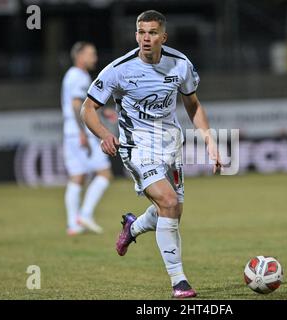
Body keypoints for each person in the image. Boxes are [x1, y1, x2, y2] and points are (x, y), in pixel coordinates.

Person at [81, 10, 222, 298]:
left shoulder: (180, 65)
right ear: (136, 35)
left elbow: (193, 105)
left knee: (172, 212)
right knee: (168, 201)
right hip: (136, 148)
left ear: (163, 36)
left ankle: (133, 228)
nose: (146, 38)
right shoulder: (119, 70)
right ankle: (179, 282)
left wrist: (209, 139)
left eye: (153, 32)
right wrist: (106, 135)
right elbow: (87, 109)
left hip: (171, 145)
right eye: (141, 32)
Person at [61, 41, 113, 236]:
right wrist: (83, 132)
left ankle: (73, 225)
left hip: (70, 133)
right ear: (80, 56)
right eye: (91, 54)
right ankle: (85, 214)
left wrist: (105, 111)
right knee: (104, 174)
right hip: (80, 132)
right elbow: (76, 105)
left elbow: (81, 102)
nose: (95, 58)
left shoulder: (71, 75)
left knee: (77, 177)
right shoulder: (80, 76)